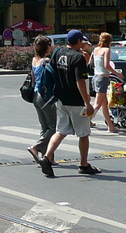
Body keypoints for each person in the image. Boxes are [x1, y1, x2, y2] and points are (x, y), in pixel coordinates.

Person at [43, 30, 100, 176]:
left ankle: (47, 157)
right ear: (79, 41)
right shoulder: (78, 58)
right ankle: (83, 164)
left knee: (61, 131)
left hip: (61, 99)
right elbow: (80, 81)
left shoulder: (57, 52)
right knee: (84, 133)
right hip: (76, 101)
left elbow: (52, 70)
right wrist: (87, 102)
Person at [26, 35, 57, 178]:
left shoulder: (34, 60)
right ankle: (36, 147)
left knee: (44, 127)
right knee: (53, 127)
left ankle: (48, 157)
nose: (52, 47)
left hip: (35, 95)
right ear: (46, 47)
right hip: (45, 96)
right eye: (50, 45)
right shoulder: (46, 61)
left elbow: (33, 79)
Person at [89, 33, 122, 133]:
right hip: (103, 78)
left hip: (95, 77)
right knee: (97, 104)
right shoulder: (107, 50)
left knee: (104, 104)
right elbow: (107, 65)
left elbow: (90, 62)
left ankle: (111, 127)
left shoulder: (95, 50)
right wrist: (117, 73)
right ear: (109, 41)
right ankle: (84, 122)